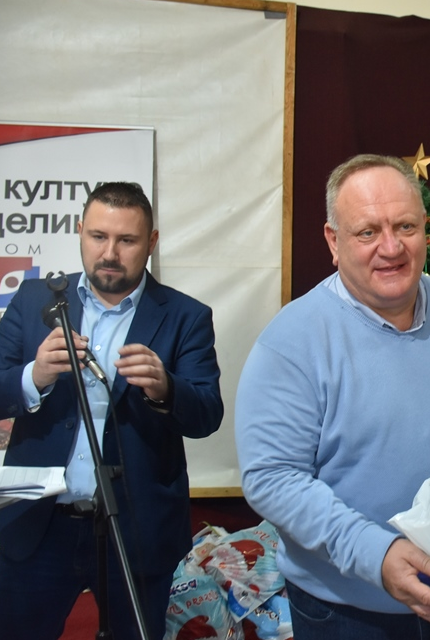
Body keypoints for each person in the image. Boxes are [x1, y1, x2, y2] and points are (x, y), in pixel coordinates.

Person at [235, 154, 430, 640]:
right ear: (332, 241)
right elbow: (271, 477)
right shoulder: (290, 342)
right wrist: (373, 553)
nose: (391, 247)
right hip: (349, 611)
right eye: (367, 232)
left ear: (426, 229)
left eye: (405, 225)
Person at [0, 182, 224, 640]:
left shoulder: (185, 316)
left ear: (152, 243)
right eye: (98, 236)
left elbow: (207, 415)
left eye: (127, 241)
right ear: (79, 230)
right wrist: (35, 376)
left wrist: (166, 388)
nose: (110, 252)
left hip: (136, 530)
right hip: (37, 528)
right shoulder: (33, 299)